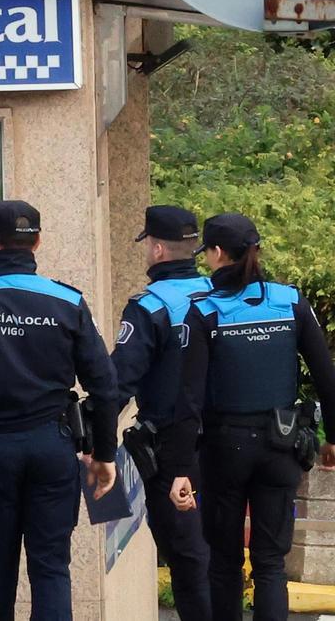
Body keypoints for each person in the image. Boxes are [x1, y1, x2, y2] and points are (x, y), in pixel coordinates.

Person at [0, 199, 122, 621]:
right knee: (51, 568)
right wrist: (105, 454)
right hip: (52, 448)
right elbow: (105, 387)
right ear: (38, 242)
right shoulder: (68, 302)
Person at [165, 213, 335, 621]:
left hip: (225, 450)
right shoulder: (290, 301)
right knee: (270, 564)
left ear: (217, 253)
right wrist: (332, 437)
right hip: (282, 444)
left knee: (224, 562)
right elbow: (326, 375)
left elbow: (189, 398)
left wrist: (180, 468)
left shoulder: (204, 311)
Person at [110, 205, 212, 621]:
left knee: (187, 559)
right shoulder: (221, 294)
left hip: (172, 450)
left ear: (156, 249)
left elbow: (119, 382)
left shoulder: (149, 307)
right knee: (220, 555)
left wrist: (95, 441)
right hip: (231, 441)